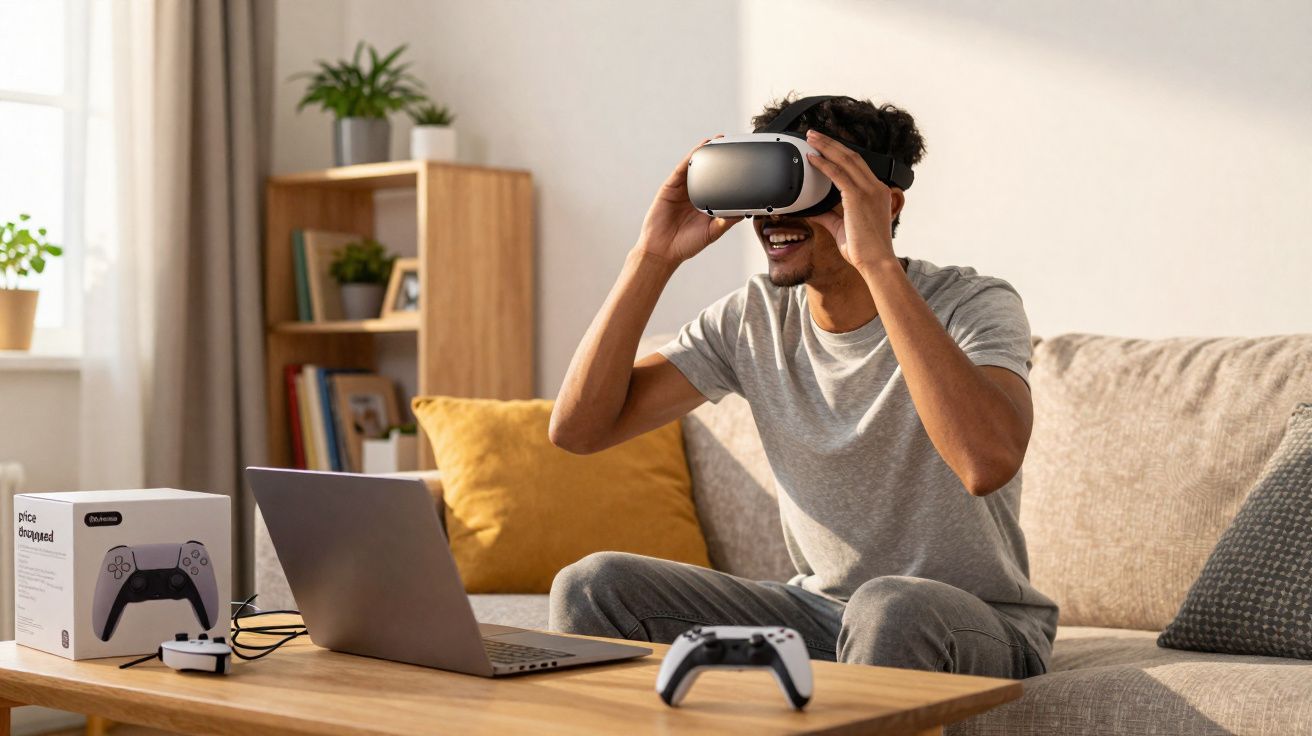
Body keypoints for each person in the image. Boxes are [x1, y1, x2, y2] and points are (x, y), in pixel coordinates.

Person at [546, 95, 1057, 678]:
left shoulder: (973, 303)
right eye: (765, 195)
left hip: (972, 624)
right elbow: (579, 431)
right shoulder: (754, 318)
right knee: (594, 586)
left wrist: (876, 262)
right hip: (820, 616)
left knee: (889, 606)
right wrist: (651, 256)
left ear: (886, 202)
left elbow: (985, 463)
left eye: (805, 188)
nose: (773, 218)